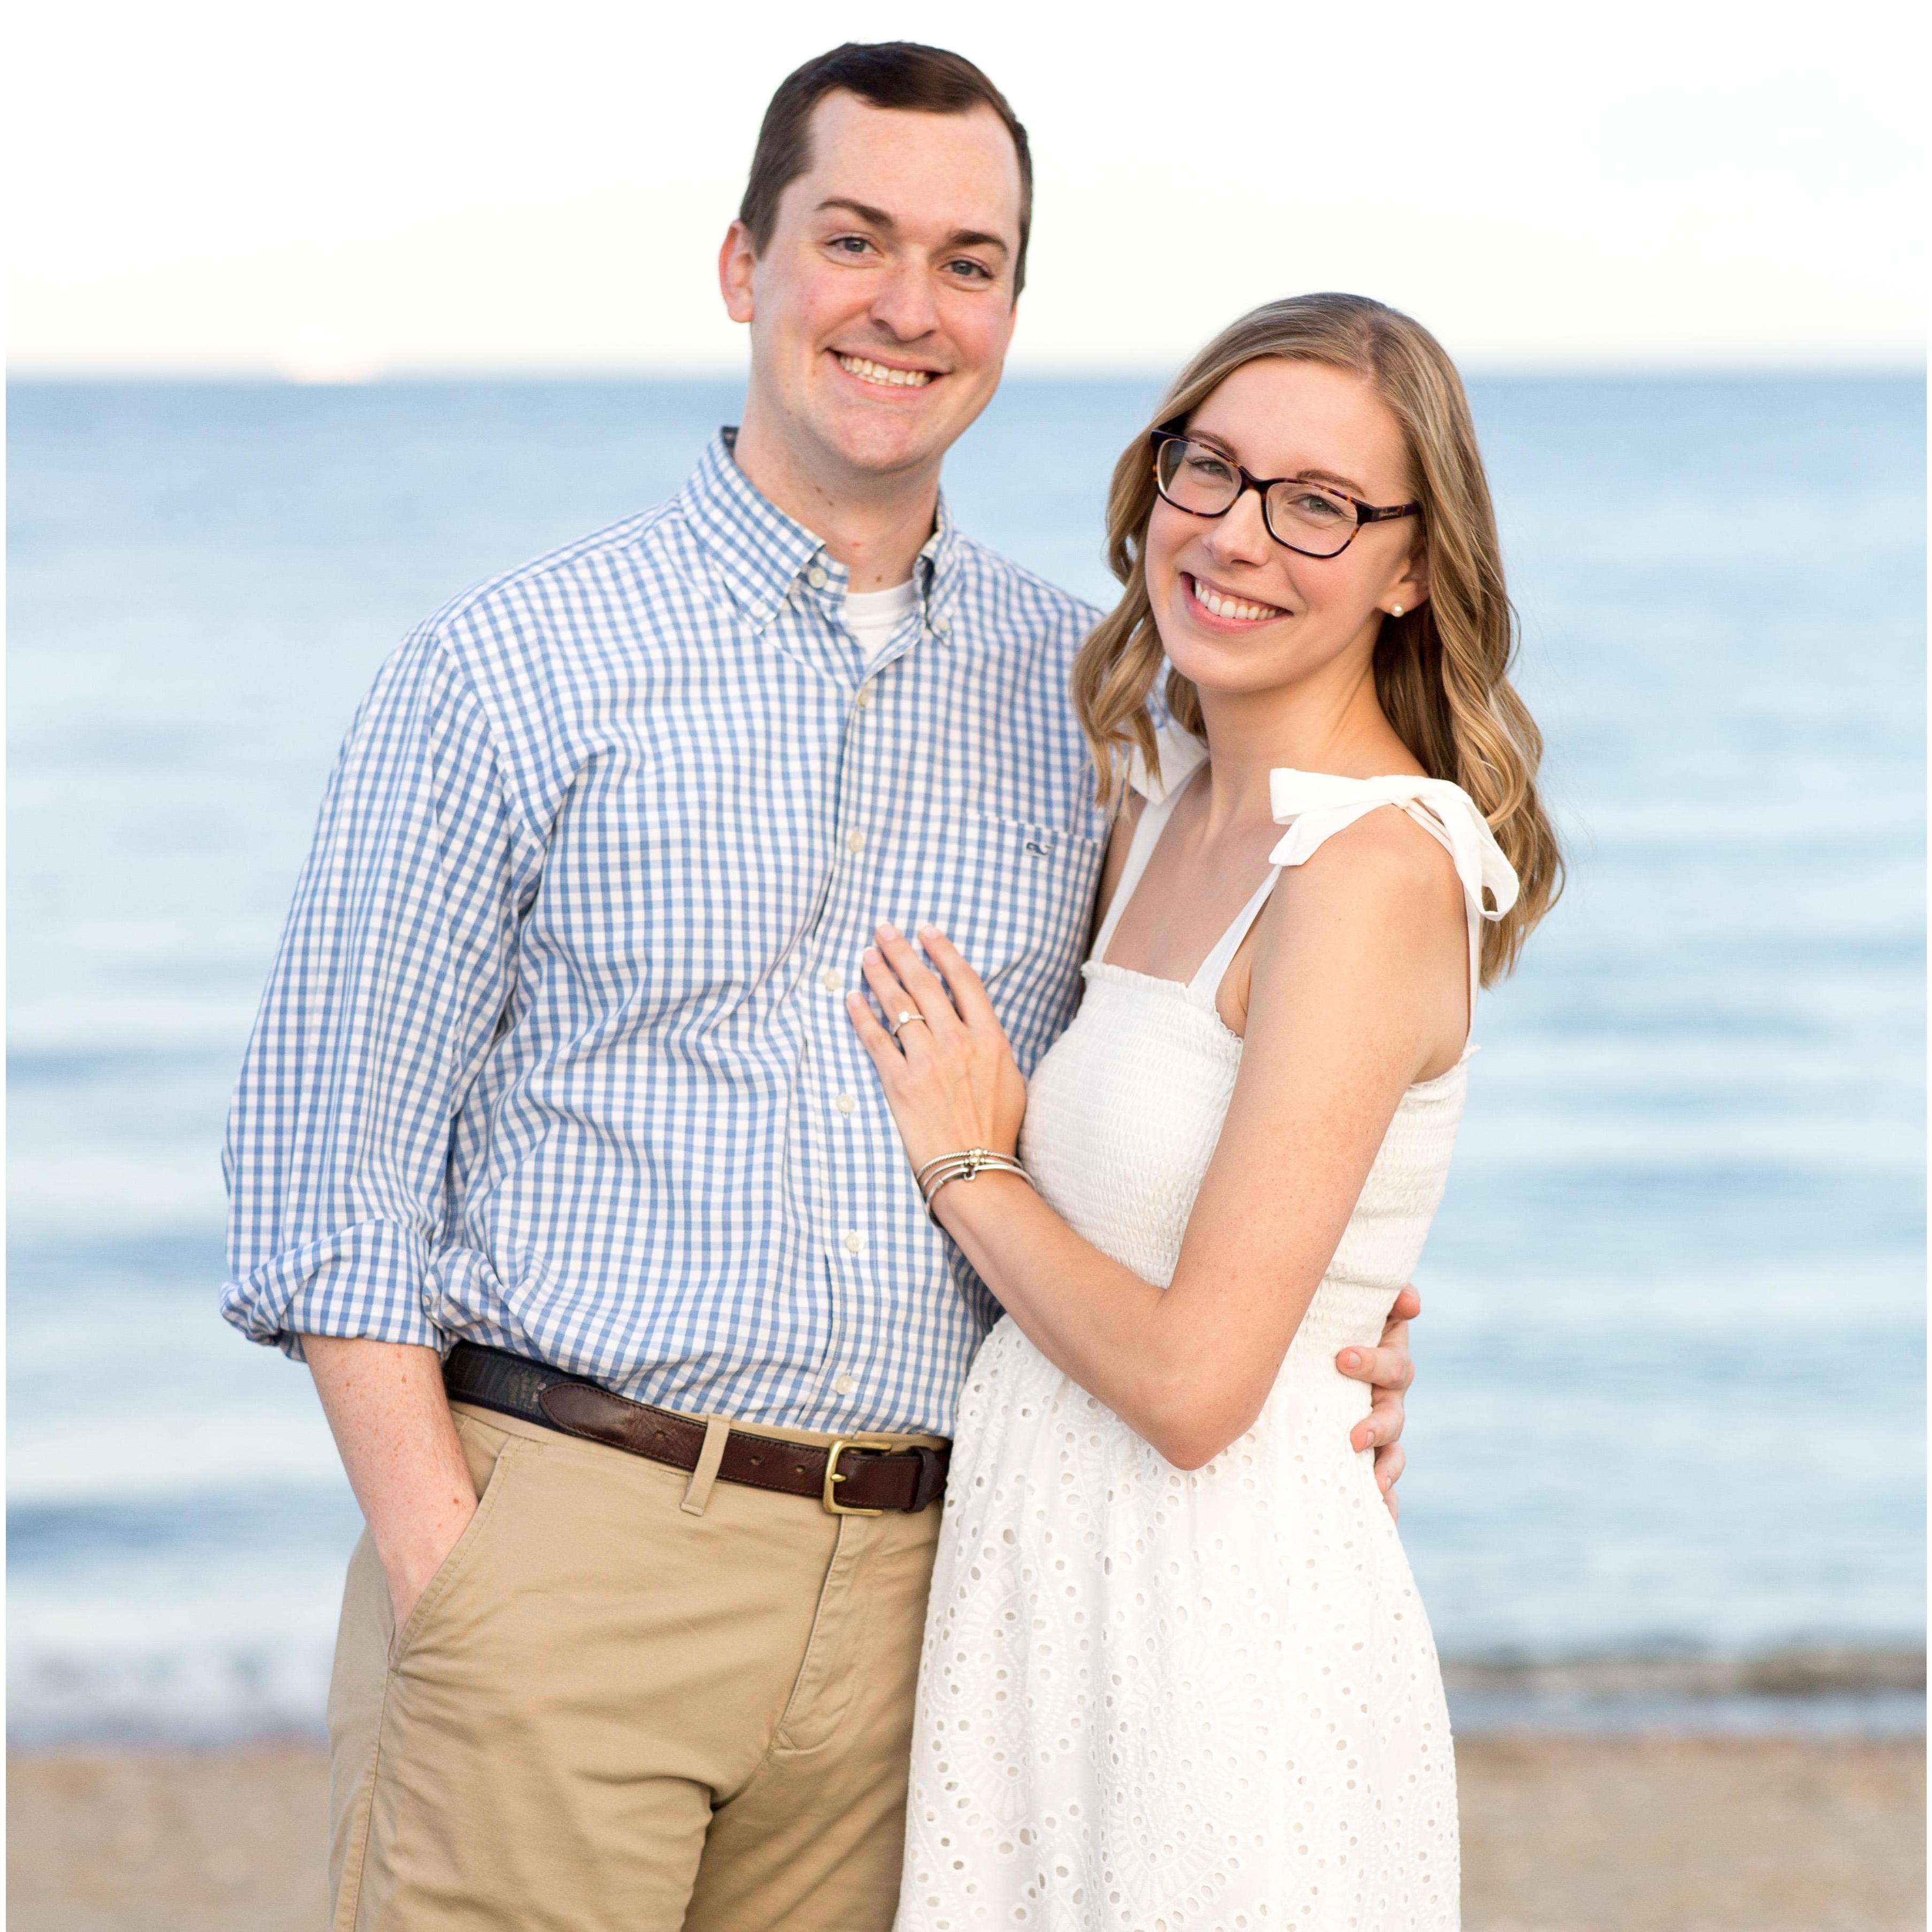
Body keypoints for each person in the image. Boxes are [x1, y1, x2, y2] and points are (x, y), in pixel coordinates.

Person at [219, 44, 1420, 1932]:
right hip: (569, 1553)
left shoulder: (1094, 705)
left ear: (1012, 312)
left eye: (968, 261)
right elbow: (323, 1164)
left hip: (939, 1614)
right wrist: (460, 1571)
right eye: (853, 238)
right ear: (741, 265)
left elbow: (1197, 1082)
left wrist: (1341, 1349)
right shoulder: (508, 670)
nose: (905, 307)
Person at [846, 293, 1561, 1929]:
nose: (1238, 536)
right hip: (1057, 1595)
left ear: (1411, 568)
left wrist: (969, 1159)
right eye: (1211, 470)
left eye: (1318, 503)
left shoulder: (1370, 872)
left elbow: (1192, 1385)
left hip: (1218, 1635)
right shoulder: (1164, 799)